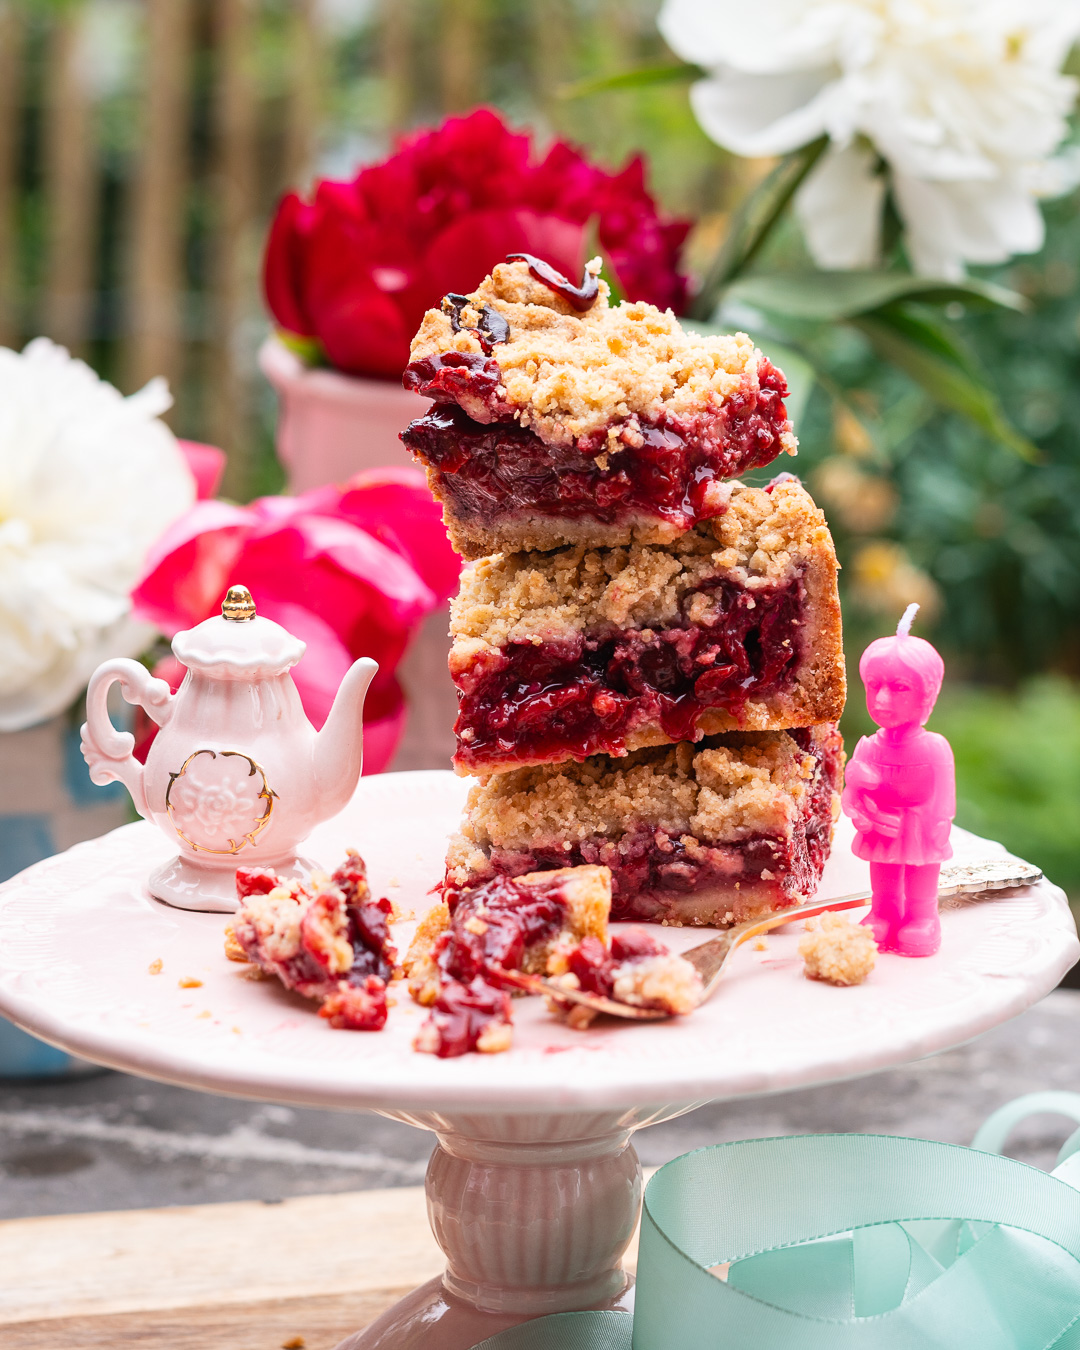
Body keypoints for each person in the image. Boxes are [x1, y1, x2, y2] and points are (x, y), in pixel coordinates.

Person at [842, 604, 955, 957]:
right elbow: (851, 794)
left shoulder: (934, 748)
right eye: (873, 686)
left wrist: (939, 824)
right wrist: (858, 809)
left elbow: (944, 798)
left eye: (899, 687)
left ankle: (923, 917)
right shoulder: (869, 748)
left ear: (927, 693)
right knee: (884, 875)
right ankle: (884, 912)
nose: (882, 699)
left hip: (920, 826)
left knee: (921, 875)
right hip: (881, 826)